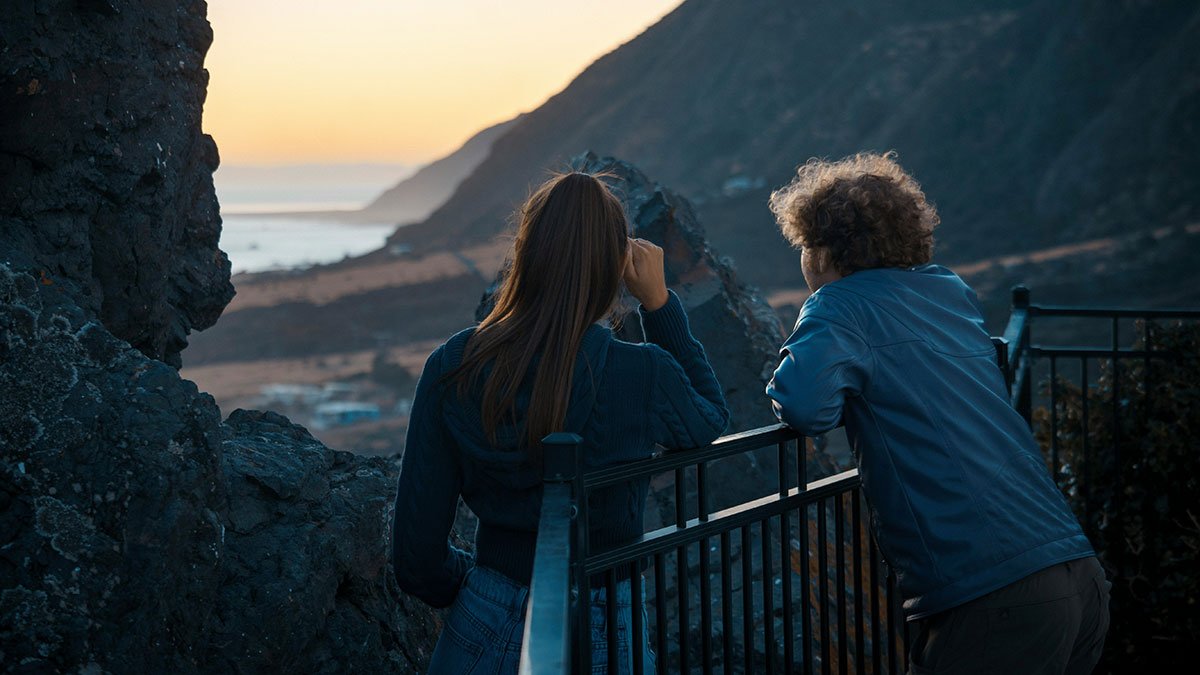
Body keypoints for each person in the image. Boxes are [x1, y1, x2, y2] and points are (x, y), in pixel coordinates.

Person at [765, 152, 1110, 674]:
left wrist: (819, 307)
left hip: (993, 591)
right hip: (1077, 573)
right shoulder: (947, 291)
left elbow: (803, 405)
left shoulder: (840, 306)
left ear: (822, 248)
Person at [391, 171, 730, 674]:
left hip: (483, 619)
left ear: (525, 254)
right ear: (617, 267)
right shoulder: (640, 371)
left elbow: (416, 557)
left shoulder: (455, 364)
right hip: (606, 624)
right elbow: (709, 418)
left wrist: (481, 585)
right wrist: (659, 304)